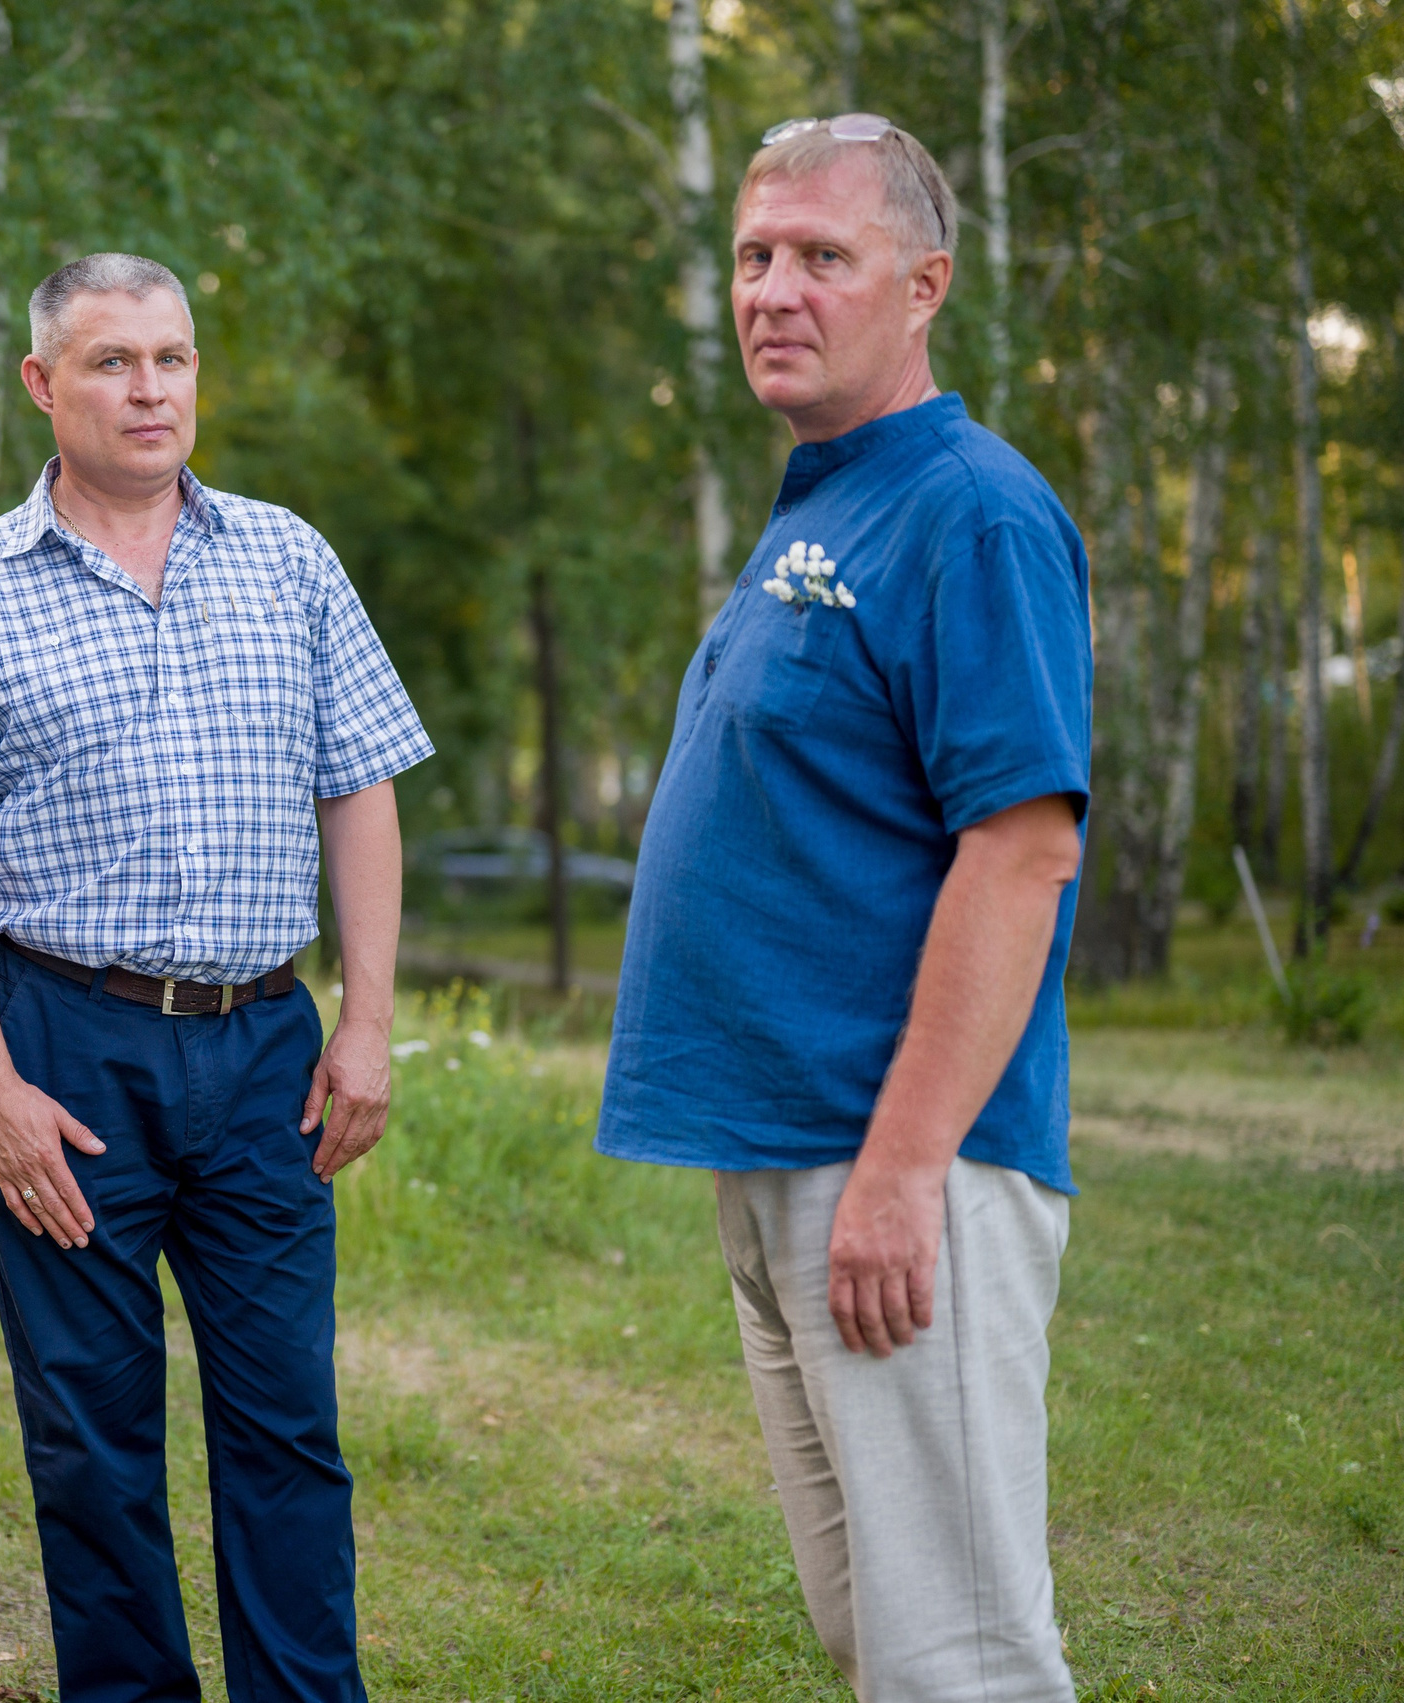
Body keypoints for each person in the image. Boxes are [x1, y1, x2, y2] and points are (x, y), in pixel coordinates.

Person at [0, 252, 432, 1703]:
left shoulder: (289, 559)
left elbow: (360, 787)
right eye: (113, 362)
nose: (151, 388)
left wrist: (368, 1022)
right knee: (93, 1437)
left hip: (262, 1052)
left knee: (287, 1427)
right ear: (45, 386)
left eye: (171, 358)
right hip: (68, 1046)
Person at [595, 117, 1092, 1703]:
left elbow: (1021, 852)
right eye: (754, 257)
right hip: (782, 1156)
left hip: (894, 1172)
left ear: (924, 285)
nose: (774, 292)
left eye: (824, 256)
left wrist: (900, 1174)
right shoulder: (827, 505)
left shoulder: (973, 513)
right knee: (875, 1632)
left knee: (961, 1662)